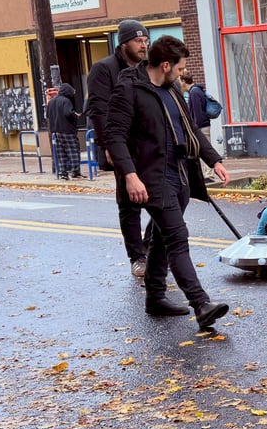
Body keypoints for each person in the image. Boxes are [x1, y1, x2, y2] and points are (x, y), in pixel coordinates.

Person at [105, 35, 231, 329]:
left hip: (179, 174)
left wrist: (214, 160)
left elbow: (190, 129)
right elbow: (115, 136)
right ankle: (201, 304)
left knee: (162, 238)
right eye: (179, 68)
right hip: (151, 177)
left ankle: (155, 298)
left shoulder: (171, 89)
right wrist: (130, 176)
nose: (181, 73)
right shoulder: (129, 89)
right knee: (177, 236)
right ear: (165, 65)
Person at [86, 19, 152, 277]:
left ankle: (150, 246)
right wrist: (108, 146)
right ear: (124, 43)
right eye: (138, 41)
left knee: (169, 198)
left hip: (151, 145)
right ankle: (137, 256)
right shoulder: (104, 69)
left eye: (146, 41)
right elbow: (99, 110)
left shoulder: (147, 69)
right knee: (130, 204)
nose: (143, 45)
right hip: (123, 146)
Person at [47, 83, 82, 180]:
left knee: (61, 153)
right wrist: (75, 115)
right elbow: (68, 113)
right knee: (73, 151)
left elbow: (48, 115)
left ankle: (63, 173)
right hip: (67, 130)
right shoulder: (66, 101)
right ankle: (75, 171)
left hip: (55, 131)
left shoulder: (51, 102)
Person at [184, 74, 215, 183]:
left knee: (205, 147)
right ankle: (208, 173)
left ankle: (209, 174)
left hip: (201, 126)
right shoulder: (198, 90)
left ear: (184, 81)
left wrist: (196, 127)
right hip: (204, 125)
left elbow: (197, 112)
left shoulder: (194, 93)